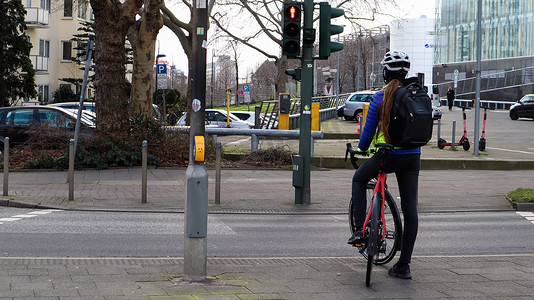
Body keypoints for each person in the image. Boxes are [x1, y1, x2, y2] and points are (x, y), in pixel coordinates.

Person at [347, 50, 421, 280]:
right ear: (405, 72)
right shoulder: (416, 94)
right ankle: (404, 265)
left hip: (387, 156)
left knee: (359, 178)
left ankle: (360, 230)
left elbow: (368, 132)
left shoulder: (380, 97)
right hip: (412, 156)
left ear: (385, 73)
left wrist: (359, 149)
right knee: (410, 209)